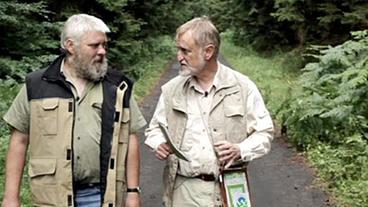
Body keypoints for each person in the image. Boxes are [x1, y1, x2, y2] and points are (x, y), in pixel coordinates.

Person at [2, 14, 146, 207]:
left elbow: (131, 139)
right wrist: (11, 197)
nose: (102, 51)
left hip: (102, 195)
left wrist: (132, 192)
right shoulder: (36, 85)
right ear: (71, 46)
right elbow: (19, 140)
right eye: (95, 45)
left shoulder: (118, 86)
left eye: (105, 45)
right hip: (50, 196)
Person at [144, 16, 274, 206]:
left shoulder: (242, 87)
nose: (179, 57)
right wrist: (159, 143)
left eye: (185, 51)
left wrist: (240, 149)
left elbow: (265, 132)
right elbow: (154, 129)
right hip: (184, 190)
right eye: (178, 50)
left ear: (208, 51)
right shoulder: (172, 90)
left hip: (230, 188)